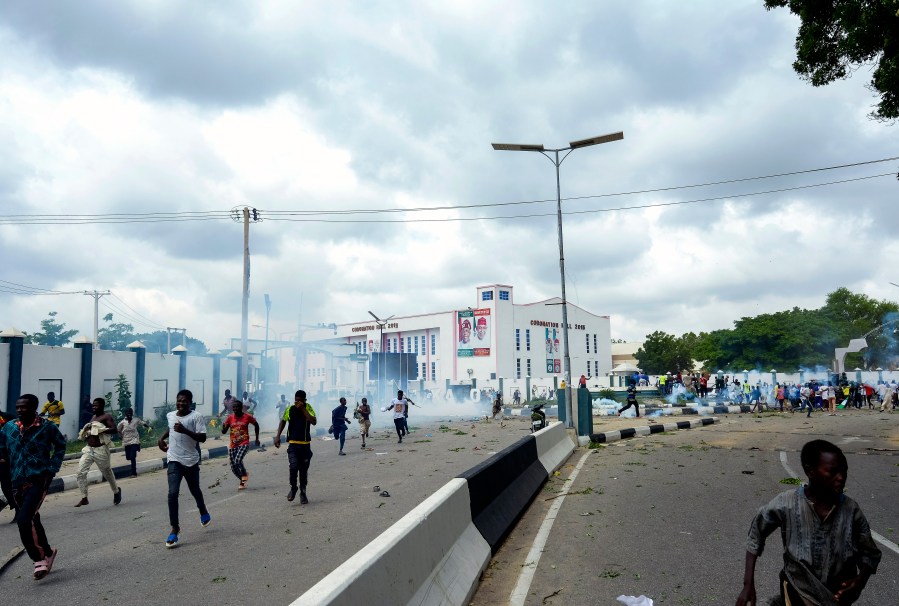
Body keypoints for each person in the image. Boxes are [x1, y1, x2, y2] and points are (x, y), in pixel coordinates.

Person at [735, 439, 881, 606]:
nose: (841, 478)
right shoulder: (786, 503)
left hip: (835, 598)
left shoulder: (851, 511)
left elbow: (870, 554)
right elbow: (756, 533)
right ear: (810, 471)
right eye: (832, 472)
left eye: (844, 471)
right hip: (797, 590)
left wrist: (859, 582)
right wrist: (748, 585)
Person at [0, 394, 66, 579]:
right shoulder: (8, 427)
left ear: (35, 408)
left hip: (39, 479)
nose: (20, 410)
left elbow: (60, 446)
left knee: (24, 520)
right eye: (18, 407)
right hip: (16, 480)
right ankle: (48, 551)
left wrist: (52, 468)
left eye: (24, 407)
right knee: (33, 519)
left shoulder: (47, 427)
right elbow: (2, 448)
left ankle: (38, 560)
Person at [158, 389, 211, 548]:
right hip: (174, 459)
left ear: (190, 402)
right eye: (179, 400)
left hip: (191, 460)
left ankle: (202, 510)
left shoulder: (196, 417)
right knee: (172, 493)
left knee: (195, 490)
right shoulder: (171, 415)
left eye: (184, 401)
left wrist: (185, 431)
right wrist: (161, 438)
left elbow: (202, 437)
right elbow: (171, 427)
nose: (181, 403)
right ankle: (175, 528)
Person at [74, 397, 122, 507]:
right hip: (89, 449)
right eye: (93, 405)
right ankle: (84, 497)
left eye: (96, 405)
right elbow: (92, 432)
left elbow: (114, 429)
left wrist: (100, 430)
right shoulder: (93, 417)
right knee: (80, 472)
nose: (94, 407)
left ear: (102, 406)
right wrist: (86, 434)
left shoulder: (106, 417)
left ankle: (116, 491)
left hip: (101, 450)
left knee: (107, 473)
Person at [274, 390, 317, 504]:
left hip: (305, 446)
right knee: (293, 467)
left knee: (303, 471)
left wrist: (303, 409)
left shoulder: (309, 408)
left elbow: (313, 421)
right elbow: (283, 421)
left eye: (299, 400)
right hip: (293, 444)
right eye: (295, 400)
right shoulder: (290, 409)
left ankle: (303, 492)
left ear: (304, 400)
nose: (297, 402)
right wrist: (278, 436)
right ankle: (293, 488)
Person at [221, 400, 260, 490]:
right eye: (233, 407)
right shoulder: (230, 418)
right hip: (233, 445)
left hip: (244, 443)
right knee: (233, 467)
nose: (235, 409)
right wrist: (223, 427)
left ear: (241, 407)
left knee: (238, 460)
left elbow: (256, 425)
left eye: (237, 407)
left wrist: (257, 438)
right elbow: (224, 431)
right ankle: (242, 480)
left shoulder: (247, 417)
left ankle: (244, 474)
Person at [117, 407, 149, 478]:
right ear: (125, 414)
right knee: (128, 457)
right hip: (126, 441)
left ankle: (134, 473)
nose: (129, 415)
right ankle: (136, 449)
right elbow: (118, 429)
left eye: (130, 414)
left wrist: (148, 426)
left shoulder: (135, 420)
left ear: (132, 414)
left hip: (134, 440)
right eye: (128, 414)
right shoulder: (122, 422)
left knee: (132, 457)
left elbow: (142, 423)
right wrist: (120, 435)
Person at [0, 410, 19, 519]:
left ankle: (17, 507)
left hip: (6, 459)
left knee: (7, 486)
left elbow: (15, 437)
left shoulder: (8, 418)